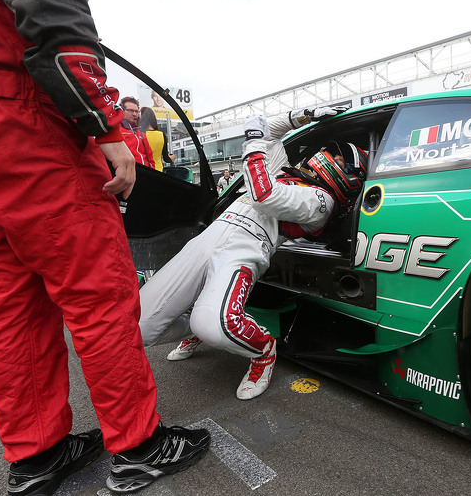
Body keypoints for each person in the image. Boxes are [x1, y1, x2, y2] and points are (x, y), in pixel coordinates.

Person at [0, 0, 210, 495]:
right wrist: (105, 124)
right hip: (26, 121)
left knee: (10, 304)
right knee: (99, 296)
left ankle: (36, 456)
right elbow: (54, 17)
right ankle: (138, 448)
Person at [138, 105, 365, 400]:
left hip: (247, 245)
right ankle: (198, 324)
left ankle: (263, 351)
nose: (326, 156)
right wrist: (301, 115)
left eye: (337, 157)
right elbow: (267, 131)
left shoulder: (322, 201)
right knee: (137, 327)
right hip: (212, 234)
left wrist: (253, 142)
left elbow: (263, 194)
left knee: (216, 324)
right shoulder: (285, 171)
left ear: (348, 176)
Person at [120, 97, 156, 168]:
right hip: (128, 174)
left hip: (146, 175)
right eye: (131, 110)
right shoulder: (117, 131)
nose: (134, 114)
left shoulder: (141, 134)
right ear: (122, 111)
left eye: (136, 111)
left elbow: (150, 157)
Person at [139, 106, 173, 171]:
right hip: (159, 171)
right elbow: (166, 158)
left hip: (144, 170)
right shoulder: (161, 135)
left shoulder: (139, 135)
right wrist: (171, 158)